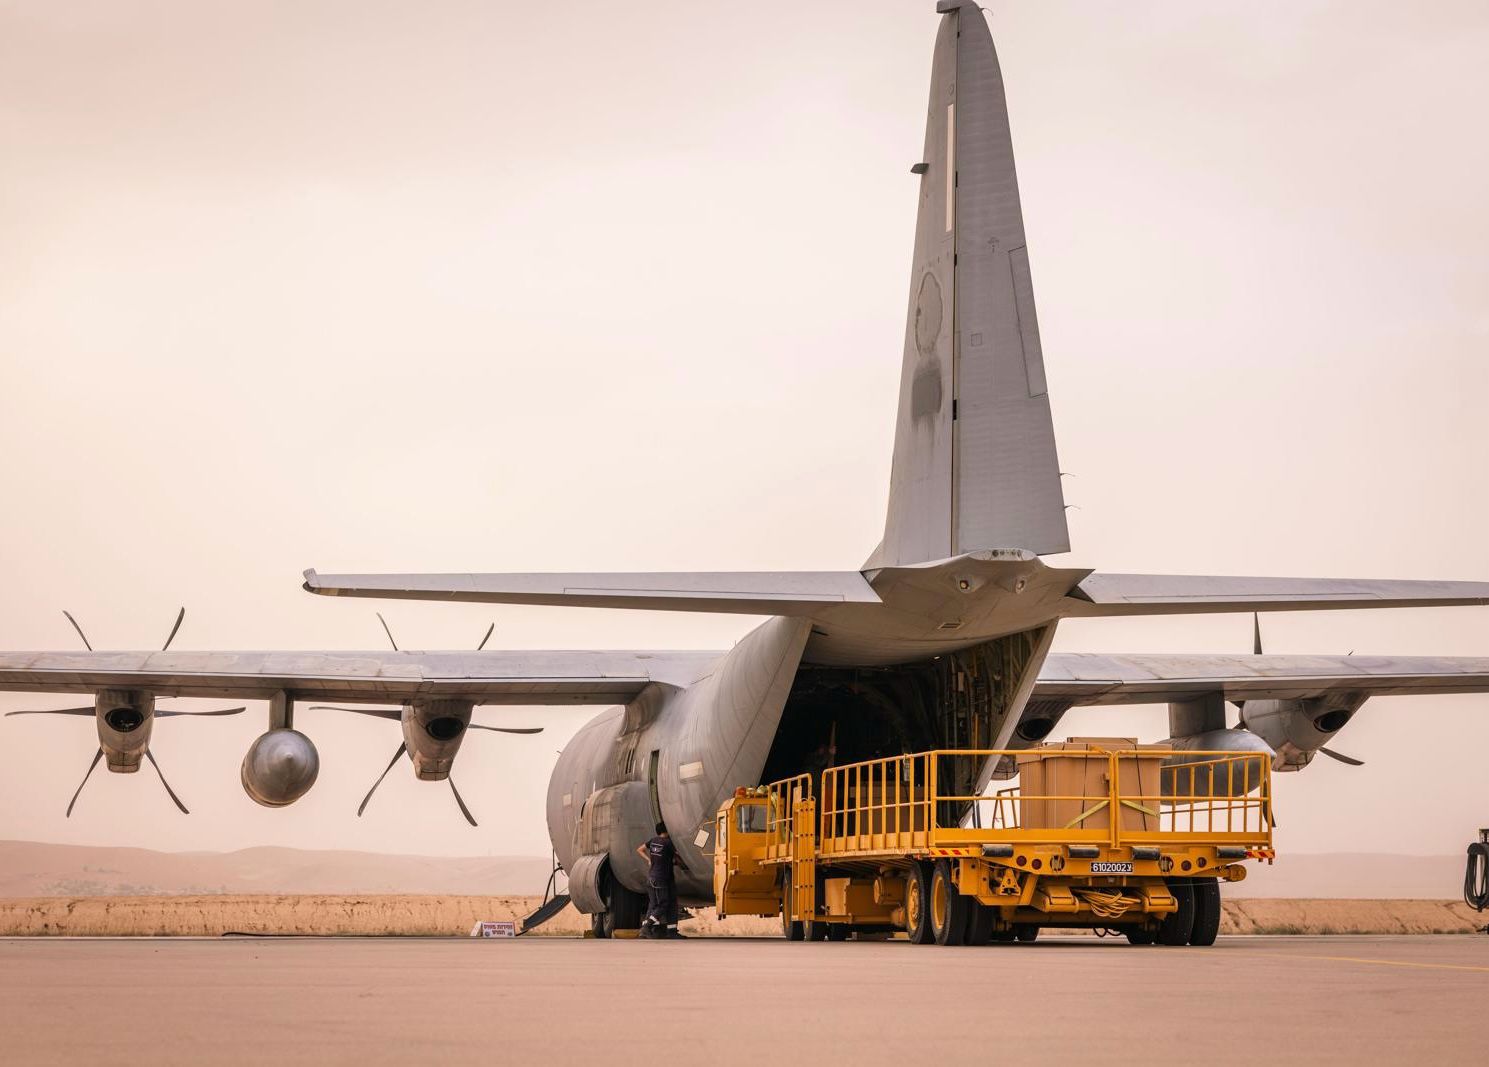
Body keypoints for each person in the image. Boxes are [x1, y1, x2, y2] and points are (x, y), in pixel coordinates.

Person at [636, 822, 683, 939]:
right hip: (661, 879)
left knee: (654, 904)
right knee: (664, 904)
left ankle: (669, 931)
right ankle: (647, 927)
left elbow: (640, 849)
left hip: (652, 877)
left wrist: (649, 860)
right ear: (667, 830)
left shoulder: (652, 841)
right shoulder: (668, 843)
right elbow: (678, 856)